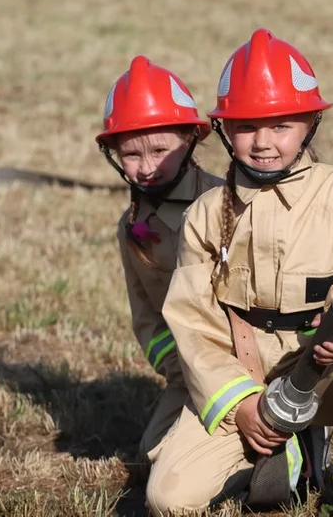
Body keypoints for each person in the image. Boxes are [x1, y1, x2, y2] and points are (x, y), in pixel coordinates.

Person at [145, 29, 333, 516]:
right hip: (247, 377)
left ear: (311, 123)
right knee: (169, 500)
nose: (263, 143)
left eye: (281, 126)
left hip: (328, 368)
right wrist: (243, 405)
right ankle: (287, 457)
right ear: (225, 131)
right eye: (247, 127)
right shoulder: (206, 214)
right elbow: (193, 324)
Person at [96, 55, 222, 479]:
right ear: (113, 152)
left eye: (160, 150)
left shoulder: (227, 203)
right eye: (130, 154)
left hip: (250, 362)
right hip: (188, 370)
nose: (147, 167)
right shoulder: (130, 228)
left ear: (190, 138)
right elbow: (146, 318)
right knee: (153, 453)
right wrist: (181, 372)